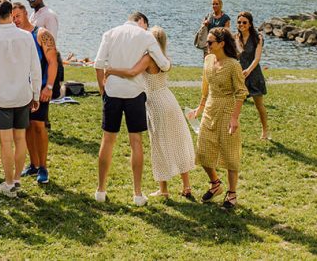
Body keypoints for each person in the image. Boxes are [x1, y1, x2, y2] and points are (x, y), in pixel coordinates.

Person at [105, 26, 196, 199]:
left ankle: (163, 190)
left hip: (156, 103)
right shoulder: (164, 59)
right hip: (169, 99)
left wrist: (111, 70)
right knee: (178, 141)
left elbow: (132, 73)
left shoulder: (148, 58)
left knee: (159, 144)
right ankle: (186, 186)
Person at [93, 11, 171, 206]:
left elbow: (98, 64)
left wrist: (102, 88)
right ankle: (137, 194)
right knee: (136, 141)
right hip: (135, 93)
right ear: (142, 21)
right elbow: (165, 64)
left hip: (112, 91)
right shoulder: (145, 36)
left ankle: (100, 190)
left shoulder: (110, 33)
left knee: (108, 139)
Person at [0, 0, 42, 197]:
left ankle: (9, 182)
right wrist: (36, 93)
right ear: (12, 13)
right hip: (23, 95)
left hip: (2, 97)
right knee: (20, 139)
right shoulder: (26, 36)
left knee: (6, 143)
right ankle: (17, 179)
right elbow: (35, 68)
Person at [191, 28, 248, 209]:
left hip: (226, 110)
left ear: (221, 44)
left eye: (210, 42)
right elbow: (205, 87)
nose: (206, 45)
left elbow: (241, 93)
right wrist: (199, 108)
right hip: (210, 109)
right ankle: (215, 183)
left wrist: (234, 118)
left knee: (230, 154)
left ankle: (231, 193)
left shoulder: (233, 65)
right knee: (202, 150)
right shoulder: (207, 60)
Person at [12, 1, 58, 185]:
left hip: (41, 89)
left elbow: (53, 62)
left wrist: (49, 87)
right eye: (12, 17)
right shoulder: (15, 36)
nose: (15, 20)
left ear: (25, 15)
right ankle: (33, 164)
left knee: (39, 126)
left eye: (18, 16)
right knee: (27, 127)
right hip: (22, 90)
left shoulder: (41, 34)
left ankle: (43, 167)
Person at [235, 11, 269, 140]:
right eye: (239, 22)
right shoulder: (235, 38)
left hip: (254, 75)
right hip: (240, 76)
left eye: (244, 22)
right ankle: (232, 130)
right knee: (235, 105)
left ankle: (265, 131)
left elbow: (257, 58)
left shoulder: (257, 38)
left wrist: (248, 70)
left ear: (250, 24)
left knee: (259, 105)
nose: (241, 24)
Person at [28, 0, 63, 95]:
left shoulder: (49, 15)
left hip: (46, 54)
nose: (30, 1)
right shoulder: (33, 15)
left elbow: (52, 37)